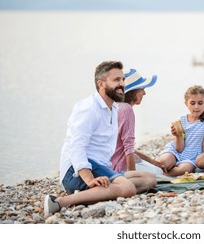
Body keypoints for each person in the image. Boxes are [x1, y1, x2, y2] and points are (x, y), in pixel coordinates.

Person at [43, 61, 156, 215]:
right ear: (101, 84)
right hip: (77, 171)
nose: (122, 84)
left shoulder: (114, 108)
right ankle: (59, 202)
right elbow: (76, 148)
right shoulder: (88, 108)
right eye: (116, 80)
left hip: (101, 167)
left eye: (122, 80)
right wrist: (89, 179)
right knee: (128, 188)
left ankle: (91, 194)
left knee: (149, 179)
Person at [110, 68, 165, 175]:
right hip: (117, 167)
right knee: (158, 172)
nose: (144, 93)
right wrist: (132, 176)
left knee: (156, 167)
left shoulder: (115, 107)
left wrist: (153, 162)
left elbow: (124, 148)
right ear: (133, 91)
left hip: (110, 163)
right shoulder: (126, 109)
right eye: (142, 89)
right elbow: (129, 148)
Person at [156, 85, 204, 176]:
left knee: (183, 170)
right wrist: (177, 135)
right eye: (192, 103)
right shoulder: (182, 121)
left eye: (200, 103)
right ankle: (155, 170)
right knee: (163, 163)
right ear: (186, 104)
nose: (196, 107)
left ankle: (162, 175)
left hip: (193, 157)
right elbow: (179, 148)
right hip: (176, 151)